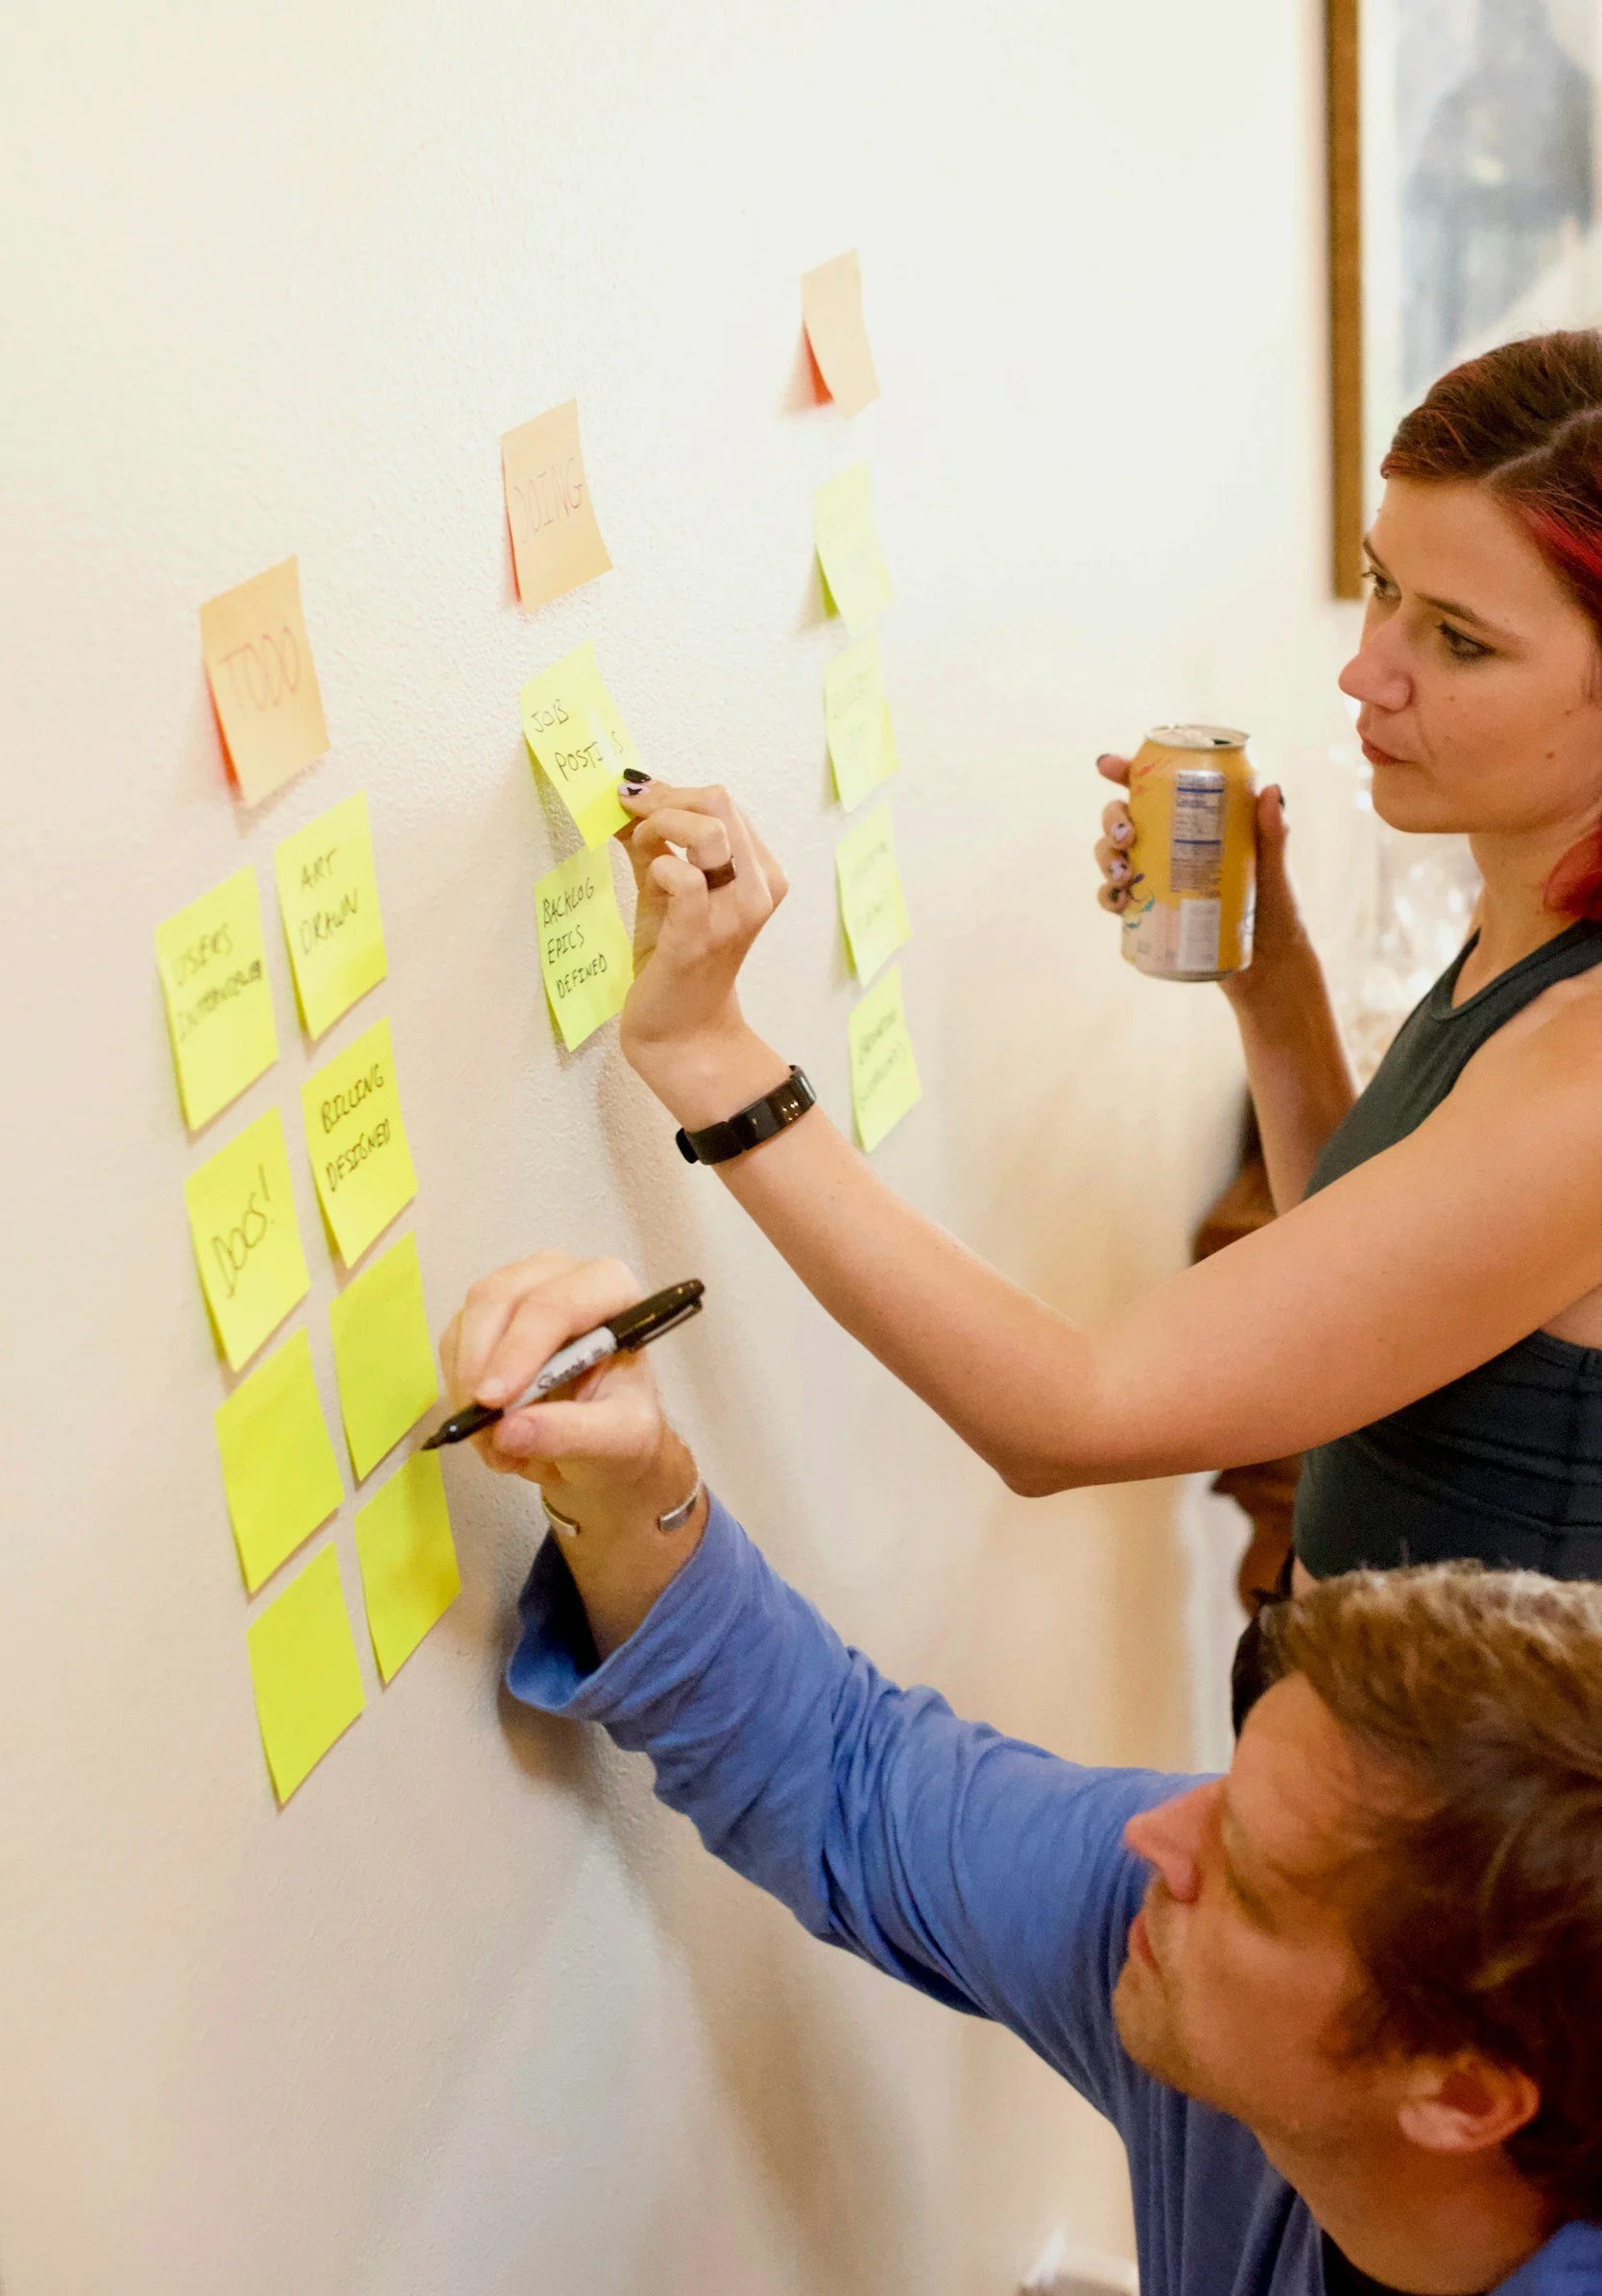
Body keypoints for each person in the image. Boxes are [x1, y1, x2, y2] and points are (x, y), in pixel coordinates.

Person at [605, 329, 1602, 1720]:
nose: (1365, 672)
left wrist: (715, 1060)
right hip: (1361, 1733)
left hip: (1478, 1862)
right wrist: (1271, 979)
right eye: (1384, 588)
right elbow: (1374, 1292)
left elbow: (1065, 1416)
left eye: (1458, 641)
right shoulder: (1529, 908)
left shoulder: (1584, 1072)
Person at [442, 1251, 1602, 2296]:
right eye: (1224, 1780)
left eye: (1242, 1874)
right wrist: (638, 1487)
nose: (1153, 1835)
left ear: (1460, 2096)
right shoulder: (1210, 1952)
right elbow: (852, 1780)